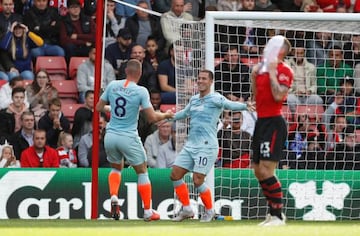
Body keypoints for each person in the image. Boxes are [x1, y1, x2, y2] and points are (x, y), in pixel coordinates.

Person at [170, 69, 254, 222]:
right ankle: (187, 209)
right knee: (175, 175)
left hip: (207, 146)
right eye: (199, 78)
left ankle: (209, 211)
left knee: (197, 180)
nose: (200, 81)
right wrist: (167, 117)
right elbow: (184, 114)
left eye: (204, 78)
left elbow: (230, 104)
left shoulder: (216, 98)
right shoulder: (194, 99)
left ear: (210, 81)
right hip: (191, 145)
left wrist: (244, 106)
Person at [95, 59, 173, 221]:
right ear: (139, 73)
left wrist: (113, 109)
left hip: (110, 135)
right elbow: (151, 118)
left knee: (116, 168)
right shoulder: (141, 91)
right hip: (128, 136)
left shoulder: (112, 85)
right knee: (142, 171)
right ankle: (147, 211)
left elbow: (98, 108)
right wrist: (166, 115)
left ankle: (114, 196)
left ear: (125, 72)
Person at [250, 35, 293, 226]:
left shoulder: (284, 70)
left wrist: (273, 73)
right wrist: (254, 76)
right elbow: (256, 96)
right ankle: (273, 213)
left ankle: (277, 215)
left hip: (274, 122)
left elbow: (278, 95)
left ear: (280, 51)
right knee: (258, 170)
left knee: (267, 169)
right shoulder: (261, 70)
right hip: (261, 121)